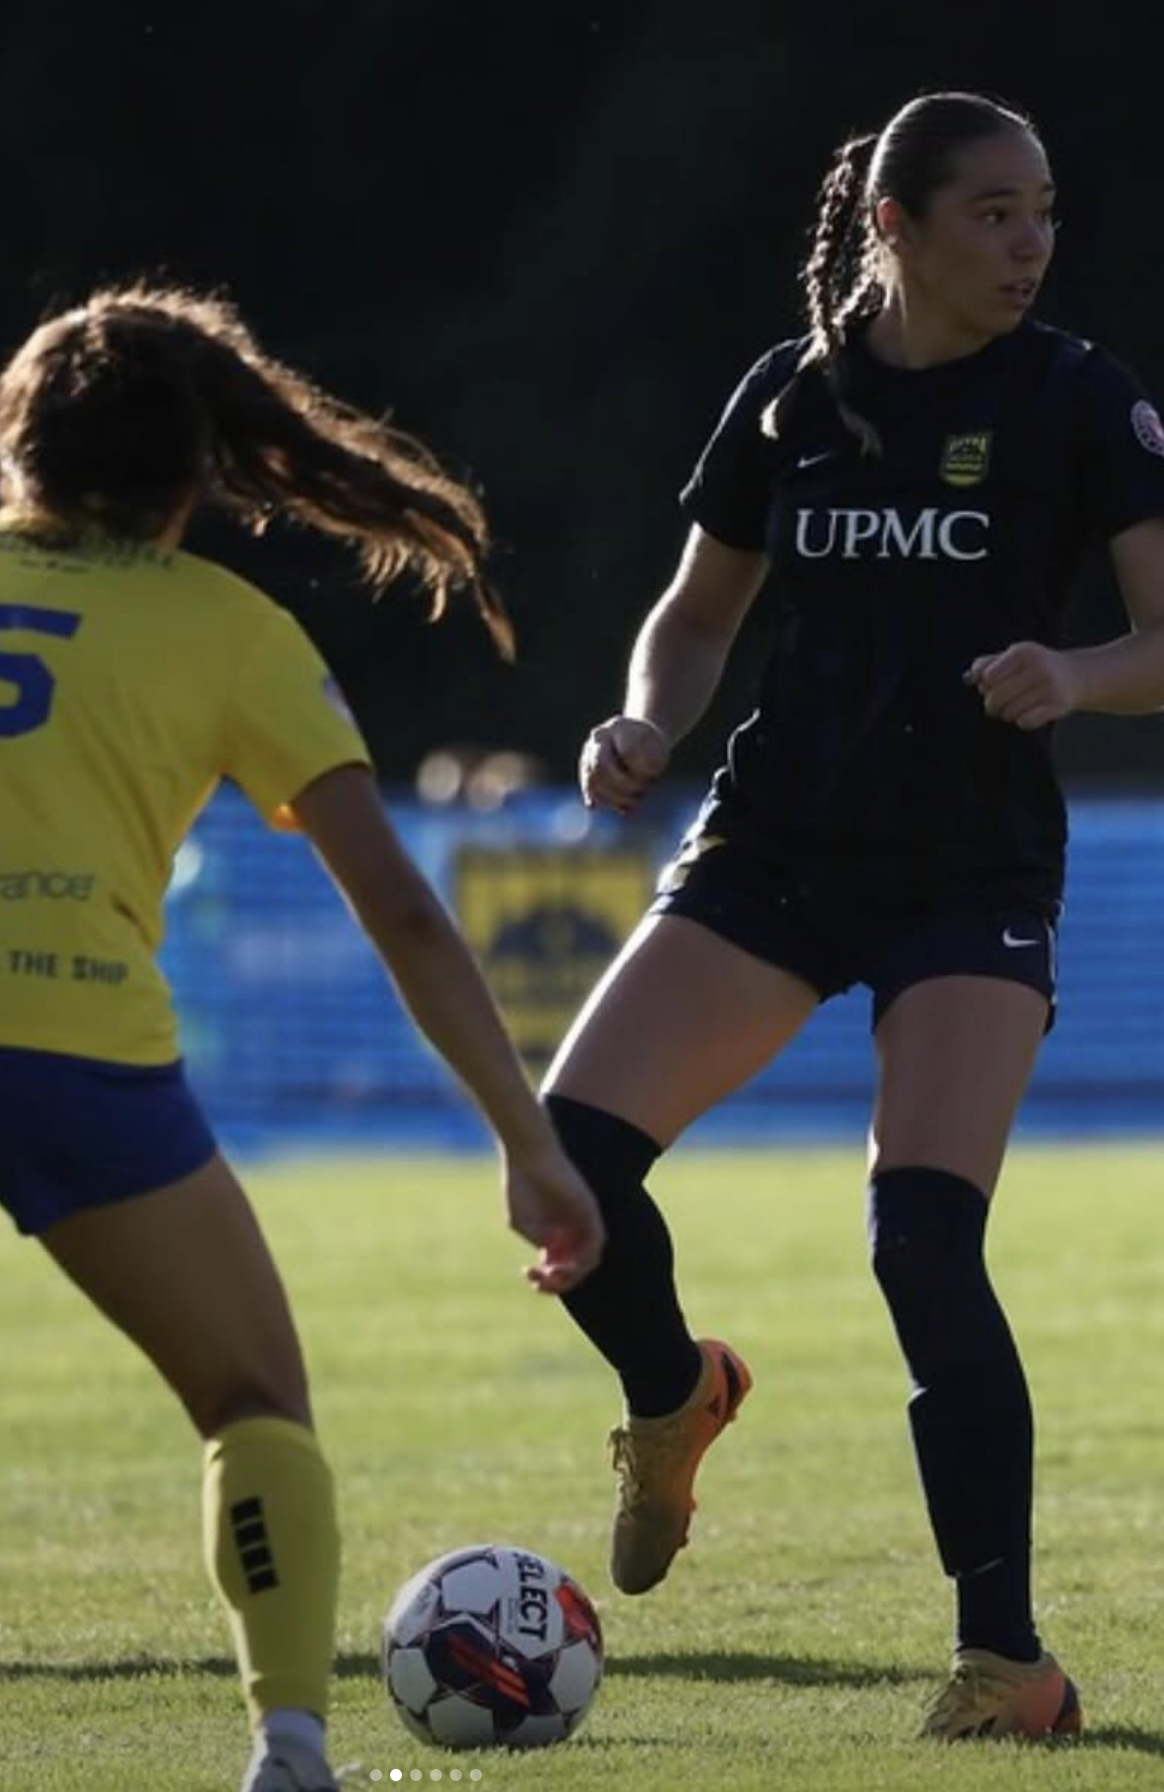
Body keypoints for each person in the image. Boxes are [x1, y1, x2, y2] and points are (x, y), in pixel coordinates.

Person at [541, 89, 1164, 1741]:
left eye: (1044, 212)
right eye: (994, 215)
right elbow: (693, 617)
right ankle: (674, 1394)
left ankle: (1006, 1667)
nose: (1032, 244)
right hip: (778, 850)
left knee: (920, 1241)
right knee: (569, 1168)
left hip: (968, 871)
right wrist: (645, 722)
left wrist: (1082, 673)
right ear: (894, 227)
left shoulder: (1079, 397)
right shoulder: (793, 396)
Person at [0, 283, 605, 1792]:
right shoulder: (231, 630)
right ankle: (288, 1747)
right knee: (254, 1407)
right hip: (82, 1056)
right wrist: (526, 1141)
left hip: (85, 1049)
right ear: (203, 473)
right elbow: (400, 909)